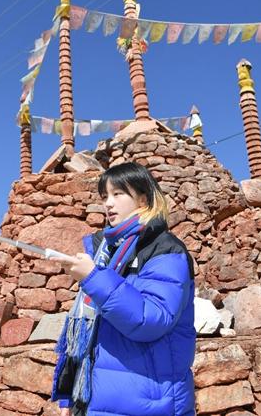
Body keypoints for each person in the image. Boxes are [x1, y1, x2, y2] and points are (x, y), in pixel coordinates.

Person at [50, 162, 196, 416]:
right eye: (104, 196)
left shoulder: (165, 249)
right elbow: (87, 331)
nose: (108, 203)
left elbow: (151, 318)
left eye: (118, 194)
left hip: (147, 404)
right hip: (94, 402)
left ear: (143, 198)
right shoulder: (105, 252)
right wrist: (70, 397)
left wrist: (94, 278)